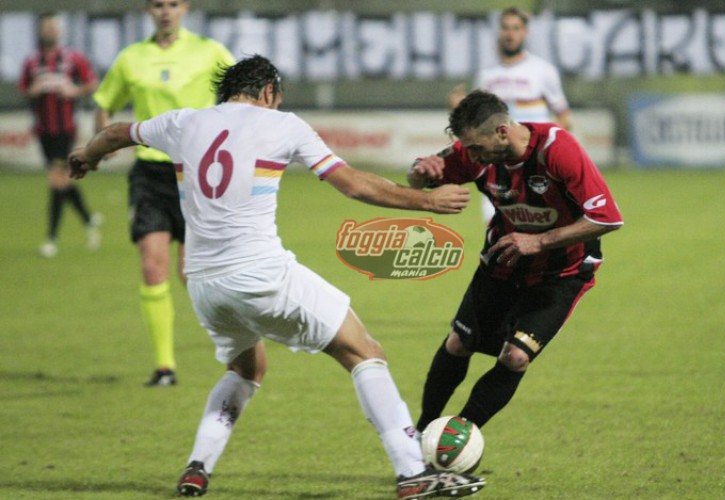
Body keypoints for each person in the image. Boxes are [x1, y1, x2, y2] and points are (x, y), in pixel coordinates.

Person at [69, 55, 485, 499]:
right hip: (261, 275)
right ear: (269, 91)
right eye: (278, 96)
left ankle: (197, 468)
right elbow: (353, 184)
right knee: (364, 352)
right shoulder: (284, 125)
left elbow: (115, 133)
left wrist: (85, 157)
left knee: (248, 367)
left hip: (205, 284)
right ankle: (412, 474)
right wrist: (426, 202)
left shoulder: (183, 122)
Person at [408, 90, 623, 434]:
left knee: (516, 356)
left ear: (502, 133)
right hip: (503, 264)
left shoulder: (557, 149)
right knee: (459, 343)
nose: (472, 156)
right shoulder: (475, 152)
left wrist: (538, 241)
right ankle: (420, 433)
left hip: (562, 272)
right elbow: (419, 180)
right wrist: (420, 173)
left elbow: (607, 218)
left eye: (477, 148)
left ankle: (456, 439)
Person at [93, 0, 235, 387]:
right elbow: (105, 103)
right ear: (148, 10)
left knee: (193, 272)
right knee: (152, 265)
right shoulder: (131, 58)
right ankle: (164, 367)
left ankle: (237, 346)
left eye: (173, 4)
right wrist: (103, 144)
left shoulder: (209, 51)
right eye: (158, 4)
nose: (165, 11)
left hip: (197, 173)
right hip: (150, 174)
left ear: (185, 8)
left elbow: (241, 96)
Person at [449, 7, 572, 224]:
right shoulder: (487, 76)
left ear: (525, 32)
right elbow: (475, 123)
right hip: (498, 163)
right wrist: (459, 108)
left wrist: (547, 149)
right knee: (497, 222)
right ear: (499, 32)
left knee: (542, 220)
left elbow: (564, 116)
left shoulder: (543, 71)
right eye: (505, 28)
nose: (509, 33)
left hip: (533, 161)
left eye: (516, 28)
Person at [19, 12, 101, 258]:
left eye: (54, 27)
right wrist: (33, 90)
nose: (51, 31)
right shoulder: (32, 62)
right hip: (44, 131)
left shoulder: (72, 58)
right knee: (63, 181)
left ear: (60, 30)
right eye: (46, 27)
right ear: (40, 31)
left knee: (56, 181)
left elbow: (90, 83)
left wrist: (73, 91)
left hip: (66, 129)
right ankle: (88, 221)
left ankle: (51, 239)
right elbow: (24, 89)